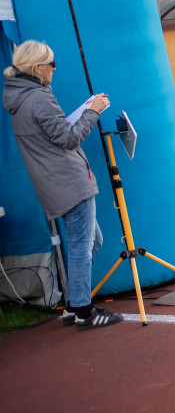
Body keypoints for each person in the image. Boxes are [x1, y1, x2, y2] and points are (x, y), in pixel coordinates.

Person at [2, 41, 122, 330]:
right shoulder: (39, 98)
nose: (55, 69)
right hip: (69, 180)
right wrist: (93, 111)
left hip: (54, 181)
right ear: (38, 68)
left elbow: (53, 136)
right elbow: (68, 139)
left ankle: (73, 303)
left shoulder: (19, 97)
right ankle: (83, 311)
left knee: (92, 241)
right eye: (51, 64)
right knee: (83, 245)